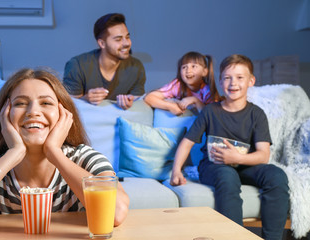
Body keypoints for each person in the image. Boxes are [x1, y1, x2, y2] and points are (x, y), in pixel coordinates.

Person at [0, 68, 129, 226]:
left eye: (46, 102)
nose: (33, 111)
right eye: (20, 103)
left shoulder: (85, 160)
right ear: (3, 115)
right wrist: (15, 153)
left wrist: (55, 153)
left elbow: (115, 213)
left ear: (64, 114)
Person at [170, 55, 289, 240]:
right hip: (213, 166)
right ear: (220, 81)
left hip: (244, 165)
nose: (233, 83)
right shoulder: (210, 111)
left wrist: (237, 159)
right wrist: (176, 170)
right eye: (227, 77)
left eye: (240, 77)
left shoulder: (257, 114)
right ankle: (235, 237)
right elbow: (187, 142)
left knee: (276, 175)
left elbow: (263, 155)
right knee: (228, 176)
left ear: (251, 81)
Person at [63, 13, 146, 110]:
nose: (127, 43)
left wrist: (130, 104)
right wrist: (86, 98)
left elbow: (138, 104)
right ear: (102, 43)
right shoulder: (77, 66)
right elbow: (68, 107)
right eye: (118, 39)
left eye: (127, 37)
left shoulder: (136, 67)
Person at [144, 51, 220, 115]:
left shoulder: (207, 90)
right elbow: (149, 98)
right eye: (184, 67)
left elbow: (210, 116)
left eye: (193, 66)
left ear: (204, 72)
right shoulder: (177, 85)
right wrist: (170, 106)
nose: (188, 70)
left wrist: (195, 100)